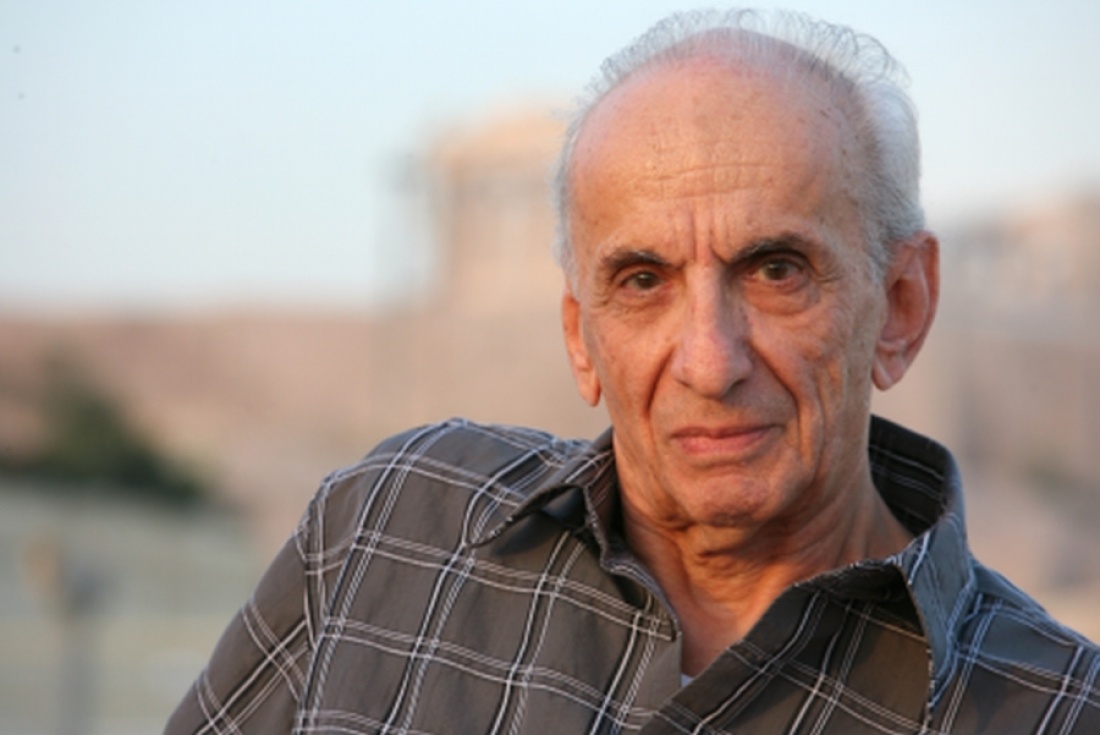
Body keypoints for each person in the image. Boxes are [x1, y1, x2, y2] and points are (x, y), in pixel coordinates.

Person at [166, 9, 1100, 734]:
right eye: (643, 281)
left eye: (776, 271)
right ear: (581, 338)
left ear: (900, 306)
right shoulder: (383, 534)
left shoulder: (1056, 711)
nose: (710, 361)